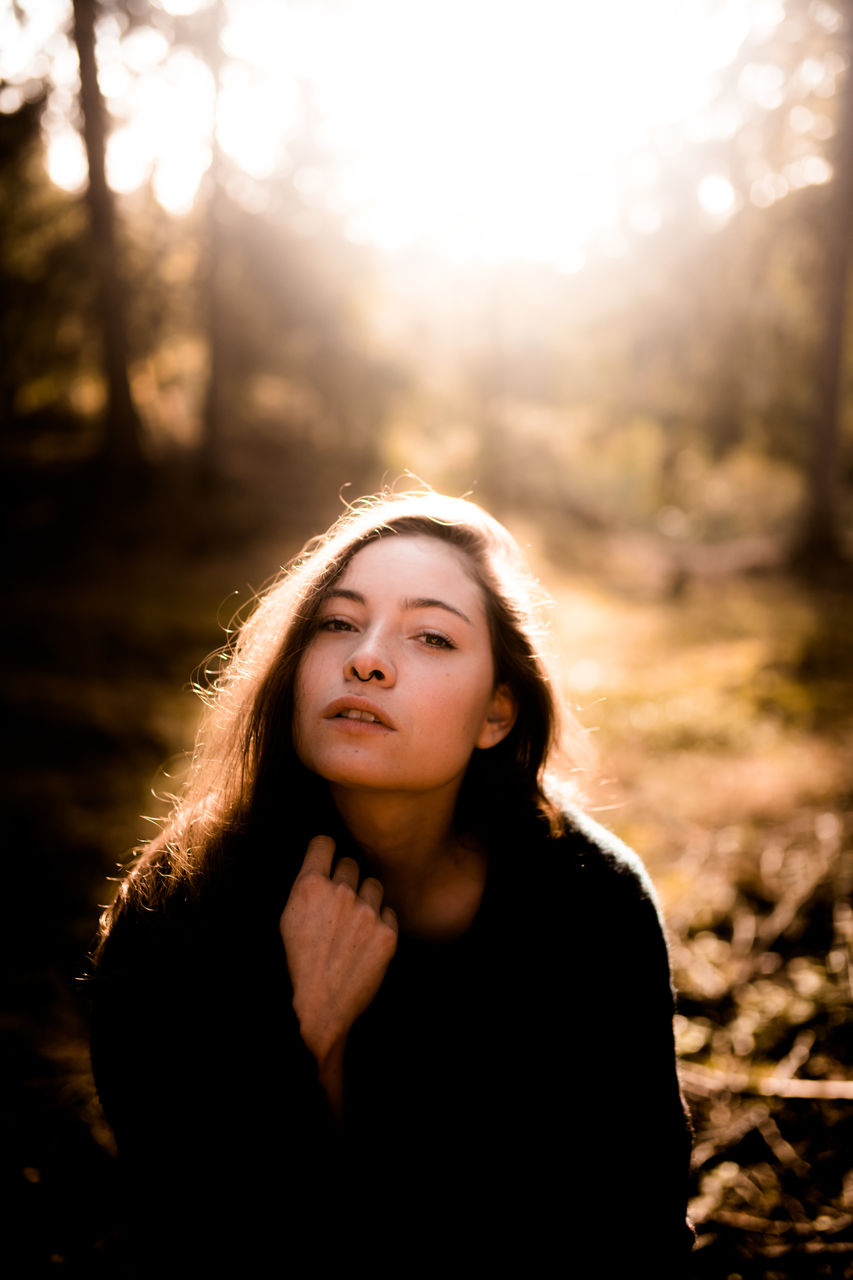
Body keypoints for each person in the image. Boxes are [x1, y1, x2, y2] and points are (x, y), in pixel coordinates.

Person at [89, 487, 694, 1275]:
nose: (365, 658)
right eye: (336, 623)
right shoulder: (182, 904)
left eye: (432, 638)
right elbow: (193, 1234)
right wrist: (307, 1039)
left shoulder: (591, 903)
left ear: (496, 713)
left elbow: (633, 1227)